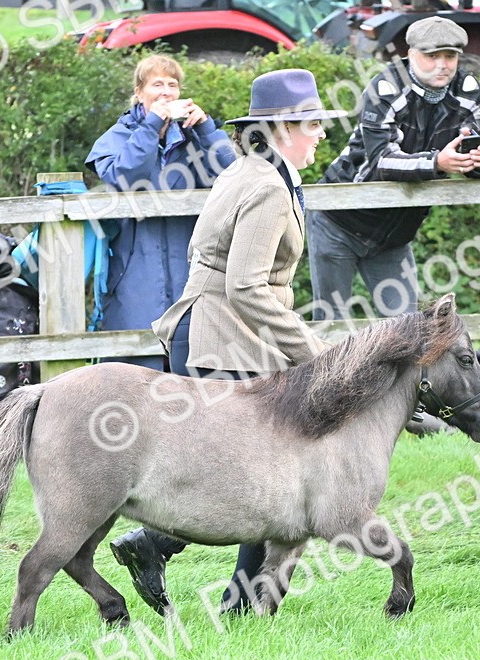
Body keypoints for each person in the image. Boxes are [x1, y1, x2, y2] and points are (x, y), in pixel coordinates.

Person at [110, 69, 347, 616]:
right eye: (314, 124)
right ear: (284, 128)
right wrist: (312, 354)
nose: (322, 134)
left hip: (218, 329)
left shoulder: (255, 170)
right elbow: (245, 286)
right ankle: (178, 559)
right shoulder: (265, 185)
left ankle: (191, 570)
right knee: (261, 476)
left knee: (260, 473)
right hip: (224, 335)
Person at [309, 17, 480, 321]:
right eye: (432, 56)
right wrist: (437, 162)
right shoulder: (386, 86)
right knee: (330, 327)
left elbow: (473, 151)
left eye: (450, 56)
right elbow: (382, 160)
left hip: (394, 237)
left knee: (407, 332)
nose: (443, 65)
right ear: (410, 53)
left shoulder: (470, 91)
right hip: (338, 221)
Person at [85, 55, 237, 371]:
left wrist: (208, 129)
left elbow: (235, 176)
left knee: (193, 376)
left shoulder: (195, 136)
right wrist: (152, 124)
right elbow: (127, 177)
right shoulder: (119, 135)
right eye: (157, 84)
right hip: (134, 280)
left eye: (172, 85)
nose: (166, 92)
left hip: (190, 277)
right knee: (134, 379)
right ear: (139, 93)